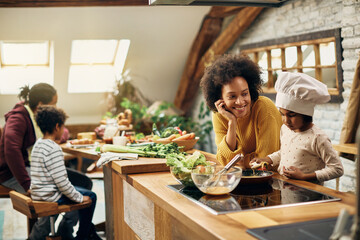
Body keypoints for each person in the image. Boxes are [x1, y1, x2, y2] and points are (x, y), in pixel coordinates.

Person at [0, 83, 92, 239]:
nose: (56, 107)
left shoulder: (34, 115)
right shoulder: (19, 117)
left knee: (84, 182)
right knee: (53, 192)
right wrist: (27, 184)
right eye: (54, 103)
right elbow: (11, 150)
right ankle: (38, 236)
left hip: (31, 167)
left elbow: (58, 133)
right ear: (41, 104)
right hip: (11, 174)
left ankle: (65, 229)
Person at [250, 72, 344, 183]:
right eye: (282, 114)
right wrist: (268, 159)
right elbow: (285, 151)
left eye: (291, 115)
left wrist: (304, 176)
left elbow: (337, 169)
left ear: (305, 114)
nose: (285, 120)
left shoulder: (318, 137)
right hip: (285, 189)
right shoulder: (285, 129)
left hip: (310, 193)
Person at [200, 54, 283, 168]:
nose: (240, 102)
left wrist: (240, 162)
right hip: (243, 178)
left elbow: (265, 162)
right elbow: (225, 161)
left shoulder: (264, 107)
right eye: (232, 96)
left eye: (244, 94)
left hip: (277, 178)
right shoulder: (219, 115)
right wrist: (232, 123)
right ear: (220, 98)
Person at [31, 106, 101, 240]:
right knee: (91, 196)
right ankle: (83, 236)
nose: (63, 130)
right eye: (63, 127)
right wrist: (80, 198)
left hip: (39, 193)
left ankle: (82, 234)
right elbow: (62, 183)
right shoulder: (54, 148)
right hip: (51, 196)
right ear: (57, 126)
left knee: (81, 191)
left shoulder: (38, 144)